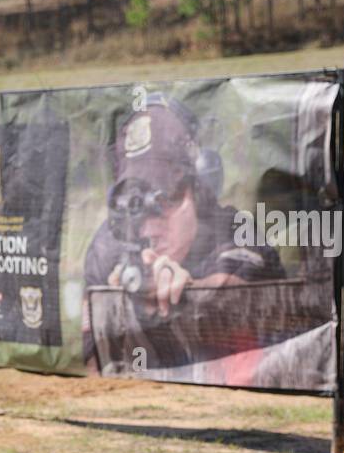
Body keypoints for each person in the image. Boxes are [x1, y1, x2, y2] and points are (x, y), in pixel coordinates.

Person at [82, 95, 285, 374]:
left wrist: (188, 293)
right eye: (135, 204)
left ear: (200, 192)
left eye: (166, 200)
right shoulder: (108, 246)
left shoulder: (234, 231)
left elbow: (231, 292)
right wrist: (117, 311)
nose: (149, 228)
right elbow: (93, 365)